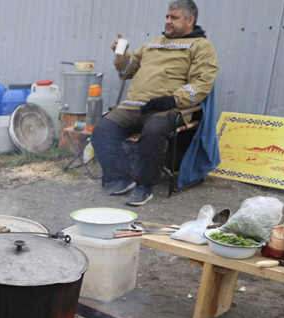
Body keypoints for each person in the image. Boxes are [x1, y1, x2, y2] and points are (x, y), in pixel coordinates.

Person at [92, 0, 218, 206]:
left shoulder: (201, 46)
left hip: (167, 109)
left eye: (174, 17)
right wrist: (121, 54)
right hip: (134, 106)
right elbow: (126, 71)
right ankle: (121, 179)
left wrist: (173, 99)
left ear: (190, 20)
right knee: (102, 129)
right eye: (167, 16)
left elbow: (202, 82)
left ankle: (144, 186)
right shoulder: (154, 43)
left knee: (152, 132)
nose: (168, 21)